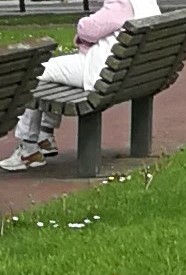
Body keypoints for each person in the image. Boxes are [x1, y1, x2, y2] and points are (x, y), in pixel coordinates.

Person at [0, 0, 160, 173]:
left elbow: (89, 29)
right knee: (53, 73)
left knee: (36, 71)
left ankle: (29, 148)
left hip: (99, 70)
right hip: (130, 73)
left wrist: (82, 30)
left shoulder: (121, 4)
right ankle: (45, 135)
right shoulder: (147, 3)